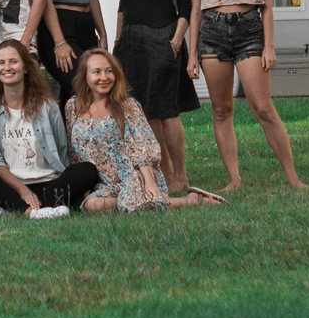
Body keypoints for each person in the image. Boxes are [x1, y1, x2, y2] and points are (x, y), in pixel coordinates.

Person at [187, 0, 305, 193]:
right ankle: (234, 180)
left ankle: (293, 178)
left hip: (249, 30)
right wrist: (192, 54)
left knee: (263, 108)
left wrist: (269, 46)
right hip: (212, 33)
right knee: (221, 110)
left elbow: (267, 6)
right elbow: (194, 11)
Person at [116, 0, 203, 197]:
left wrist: (178, 39)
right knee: (144, 110)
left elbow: (186, 4)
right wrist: (117, 41)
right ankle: (162, 170)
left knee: (167, 110)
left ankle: (180, 173)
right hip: (130, 41)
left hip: (163, 37)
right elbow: (122, 5)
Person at [67, 48, 214, 211]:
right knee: (91, 205)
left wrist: (149, 182)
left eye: (109, 71)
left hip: (131, 175)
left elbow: (142, 144)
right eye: (96, 72)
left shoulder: (127, 106)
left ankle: (189, 201)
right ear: (85, 77)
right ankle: (162, 201)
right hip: (97, 183)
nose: (104, 77)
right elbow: (72, 151)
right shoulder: (73, 107)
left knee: (97, 206)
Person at [0, 39, 95, 217]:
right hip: (12, 186)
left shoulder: (48, 107)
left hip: (49, 183)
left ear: (26, 67)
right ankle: (36, 210)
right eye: (1, 63)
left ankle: (16, 209)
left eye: (13, 61)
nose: (7, 67)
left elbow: (62, 149)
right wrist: (23, 191)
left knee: (87, 170)